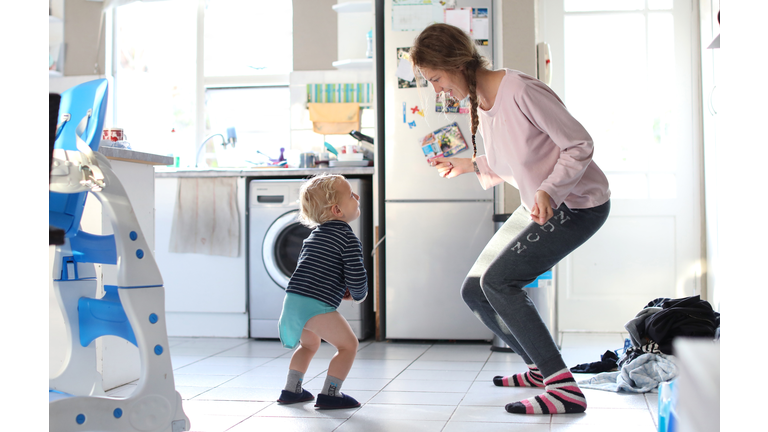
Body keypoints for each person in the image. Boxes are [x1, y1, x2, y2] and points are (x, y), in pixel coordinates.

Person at [409, 23, 611, 415]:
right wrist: (468, 165)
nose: (436, 89)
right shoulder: (482, 101)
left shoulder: (519, 90)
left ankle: (563, 389)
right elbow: (516, 159)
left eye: (435, 78)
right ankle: (539, 368)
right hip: (541, 204)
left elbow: (579, 144)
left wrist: (549, 191)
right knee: (475, 290)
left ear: (454, 63)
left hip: (577, 204)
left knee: (499, 282)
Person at [275, 173, 368, 410]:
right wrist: (359, 294)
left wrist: (338, 285)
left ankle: (291, 390)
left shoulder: (314, 236)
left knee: (308, 345)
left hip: (294, 301)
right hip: (316, 305)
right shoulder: (347, 238)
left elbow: (317, 270)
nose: (356, 196)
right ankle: (331, 394)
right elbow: (356, 275)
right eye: (350, 195)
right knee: (348, 346)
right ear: (338, 210)